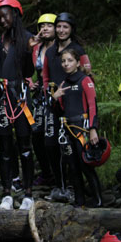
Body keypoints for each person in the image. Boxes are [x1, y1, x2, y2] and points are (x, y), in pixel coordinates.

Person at [0, 0, 38, 210]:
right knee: (5, 146)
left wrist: (28, 51)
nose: (2, 20)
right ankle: (7, 192)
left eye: (6, 15)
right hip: (2, 98)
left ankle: (28, 193)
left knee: (24, 146)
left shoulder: (26, 39)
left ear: (16, 15)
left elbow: (28, 72)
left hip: (19, 97)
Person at [41, 12, 91, 201]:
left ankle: (75, 188)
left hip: (74, 106)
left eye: (65, 27)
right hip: (54, 103)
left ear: (71, 29)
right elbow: (45, 77)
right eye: (59, 26)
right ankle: (59, 185)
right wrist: (49, 94)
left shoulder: (77, 49)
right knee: (51, 144)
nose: (61, 30)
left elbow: (87, 74)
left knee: (72, 147)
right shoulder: (51, 51)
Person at [52, 49, 104, 207]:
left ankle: (98, 201)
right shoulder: (63, 84)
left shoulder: (85, 80)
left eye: (69, 60)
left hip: (82, 127)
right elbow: (59, 110)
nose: (66, 64)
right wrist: (55, 98)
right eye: (63, 61)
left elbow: (92, 105)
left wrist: (93, 128)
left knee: (85, 164)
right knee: (72, 166)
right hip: (67, 128)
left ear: (78, 63)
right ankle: (79, 201)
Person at [29, 14, 57, 188]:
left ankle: (61, 174)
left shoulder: (62, 47)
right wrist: (29, 81)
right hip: (40, 95)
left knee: (53, 135)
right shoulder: (37, 48)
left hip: (57, 93)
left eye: (49, 25)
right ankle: (47, 173)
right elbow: (24, 65)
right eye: (42, 25)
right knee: (37, 134)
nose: (45, 28)